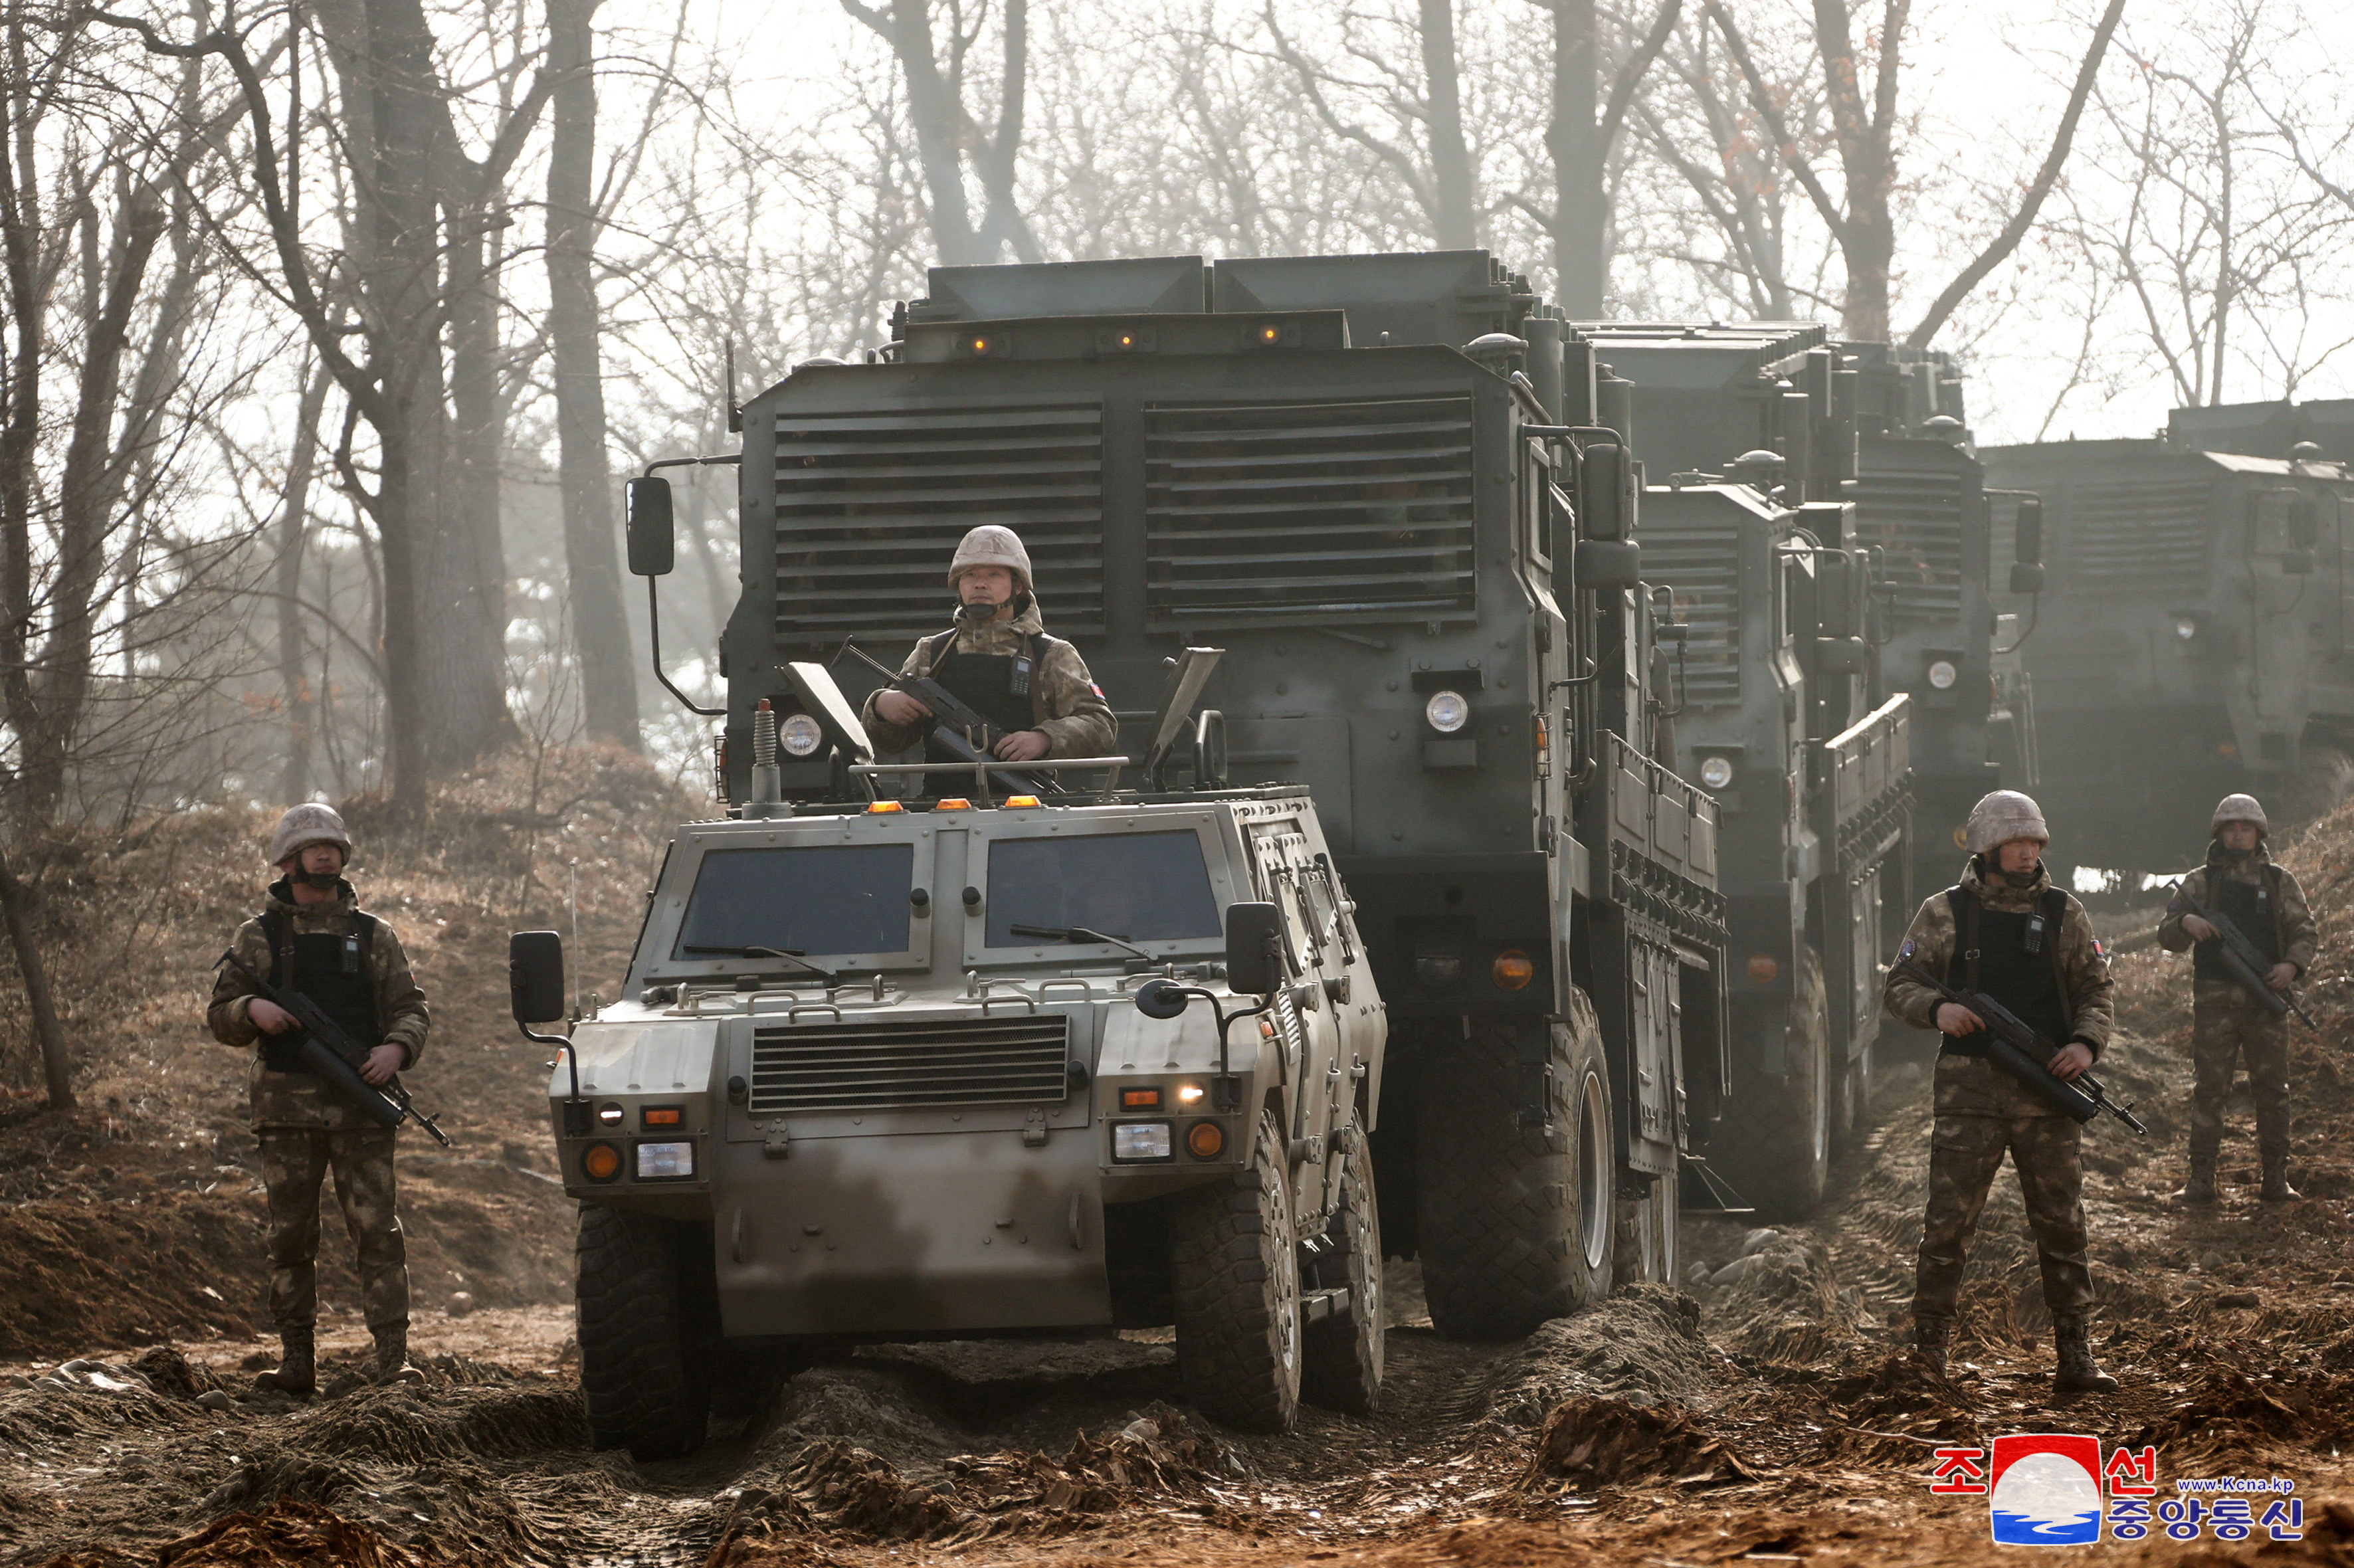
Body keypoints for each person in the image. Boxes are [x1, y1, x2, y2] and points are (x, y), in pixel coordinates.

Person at [1884, 790, 2119, 1394]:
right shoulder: (1945, 913)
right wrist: (1938, 1009)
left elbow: (2096, 990)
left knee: (2062, 1227)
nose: (2027, 853)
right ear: (1988, 848)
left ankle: (2075, 1354)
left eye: (2035, 843)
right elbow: (1901, 984)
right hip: (1970, 1096)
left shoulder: (2066, 914)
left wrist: (2085, 1046)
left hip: (2047, 1093)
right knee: (1946, 1228)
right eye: (2016, 843)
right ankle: (1928, 1354)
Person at [207, 804, 431, 1393]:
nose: (325, 854)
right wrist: (251, 1010)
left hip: (362, 1107)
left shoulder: (374, 935)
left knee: (378, 1234)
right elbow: (220, 1017)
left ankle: (392, 1360)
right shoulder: (257, 938)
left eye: (333, 845)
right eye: (313, 846)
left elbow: (411, 1008)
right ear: (289, 860)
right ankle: (297, 1361)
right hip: (286, 1113)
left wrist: (395, 1052)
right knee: (290, 1236)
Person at [2156, 794, 2317, 1205]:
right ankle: (2201, 1180)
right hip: (2214, 1005)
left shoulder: (2280, 881)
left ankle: (2276, 1178)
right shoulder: (2199, 881)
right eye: (2231, 827)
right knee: (2210, 1090)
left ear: (2259, 833)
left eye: (2246, 827)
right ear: (2219, 833)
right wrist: (2185, 922)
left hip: (2266, 1003)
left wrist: (2291, 969)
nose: (2239, 833)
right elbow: (2167, 935)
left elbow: (2305, 932)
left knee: (2272, 1091)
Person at [862, 526, 1116, 767]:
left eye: (993, 574)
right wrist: (881, 708)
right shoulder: (931, 652)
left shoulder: (1051, 654)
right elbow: (892, 743)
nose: (980, 584)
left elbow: (1101, 725)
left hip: (1027, 803)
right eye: (970, 575)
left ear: (1017, 586)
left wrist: (1045, 739)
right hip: (943, 803)